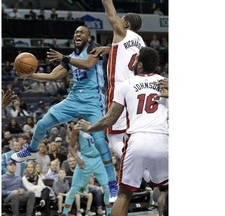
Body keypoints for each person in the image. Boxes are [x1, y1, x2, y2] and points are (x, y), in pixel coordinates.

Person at [11, 25, 118, 202]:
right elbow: (53, 76)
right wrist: (29, 75)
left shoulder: (94, 48)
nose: (78, 34)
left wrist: (64, 58)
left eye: (82, 32)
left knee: (99, 141)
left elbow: (88, 64)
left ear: (88, 38)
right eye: (76, 32)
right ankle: (31, 150)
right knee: (42, 124)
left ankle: (112, 184)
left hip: (93, 101)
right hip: (74, 98)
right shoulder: (70, 57)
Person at [76, 47, 168, 216]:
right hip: (163, 140)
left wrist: (90, 127)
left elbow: (110, 119)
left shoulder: (126, 85)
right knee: (165, 190)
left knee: (124, 194)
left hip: (137, 140)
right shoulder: (166, 82)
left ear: (139, 65)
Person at [92, 0, 145, 162]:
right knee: (131, 135)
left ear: (126, 24)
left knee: (114, 140)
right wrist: (108, 49)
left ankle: (143, 173)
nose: (118, 20)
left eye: (121, 19)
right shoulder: (141, 42)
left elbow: (109, 10)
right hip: (136, 90)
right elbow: (127, 53)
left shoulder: (122, 31)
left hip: (119, 90)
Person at [62, 121, 112, 216]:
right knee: (74, 189)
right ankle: (64, 213)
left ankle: (109, 213)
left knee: (107, 187)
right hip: (85, 159)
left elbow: (107, 141)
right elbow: (71, 147)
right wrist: (77, 158)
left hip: (99, 158)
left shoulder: (100, 124)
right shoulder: (77, 128)